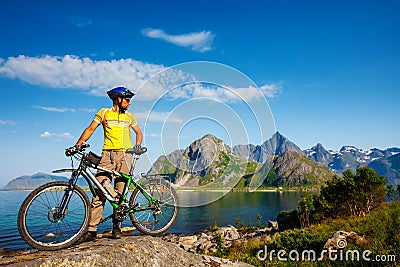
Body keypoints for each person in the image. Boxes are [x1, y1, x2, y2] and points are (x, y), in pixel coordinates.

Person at [75, 86, 143, 241]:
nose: (129, 103)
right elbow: (91, 129)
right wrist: (78, 144)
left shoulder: (130, 117)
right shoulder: (104, 113)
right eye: (127, 99)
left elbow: (138, 132)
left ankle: (116, 228)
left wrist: (137, 147)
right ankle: (92, 231)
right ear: (117, 99)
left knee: (121, 193)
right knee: (99, 192)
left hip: (125, 156)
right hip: (107, 155)